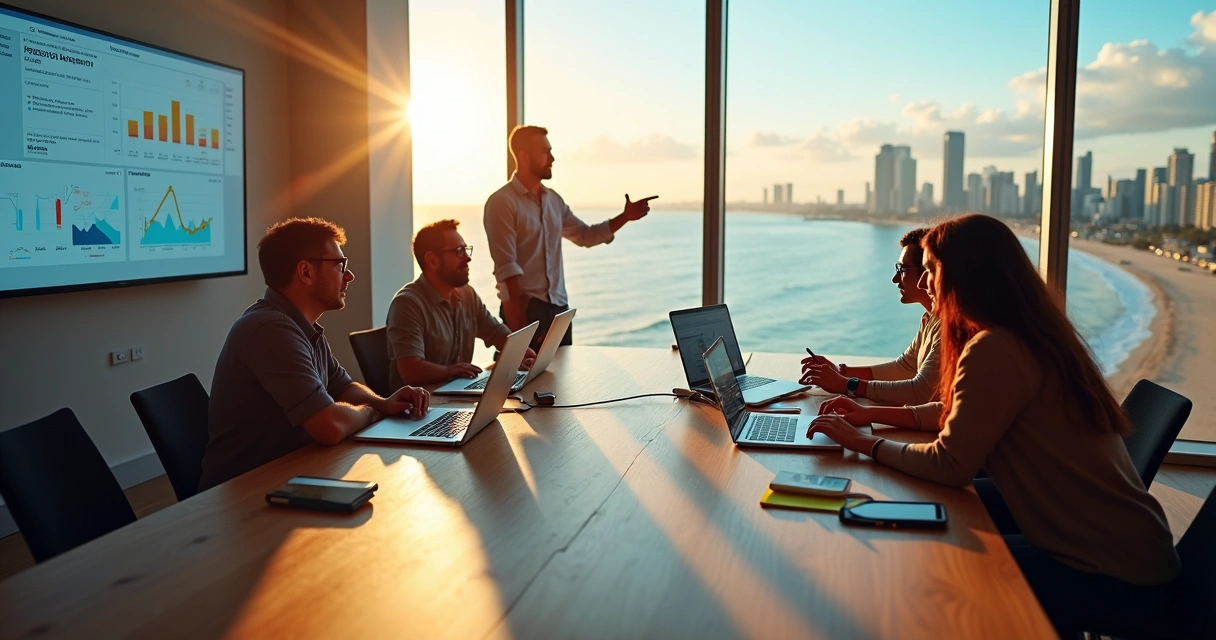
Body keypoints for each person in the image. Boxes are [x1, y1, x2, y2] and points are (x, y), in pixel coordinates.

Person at [808, 214, 1179, 636]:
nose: (925, 284)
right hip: (1128, 552)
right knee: (935, 537)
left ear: (963, 274)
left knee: (931, 583)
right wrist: (868, 417)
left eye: (929, 271)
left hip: (1113, 574)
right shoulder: (1030, 336)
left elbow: (951, 465)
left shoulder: (994, 349)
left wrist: (863, 443)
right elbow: (954, 415)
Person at [199, 218, 430, 491]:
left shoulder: (299, 326)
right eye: (339, 265)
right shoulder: (269, 331)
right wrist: (372, 413)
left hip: (291, 474)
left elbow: (342, 386)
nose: (349, 275)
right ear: (306, 272)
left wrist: (383, 403)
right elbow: (329, 425)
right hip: (245, 495)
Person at [484, 125, 657, 350]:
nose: (552, 158)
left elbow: (585, 235)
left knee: (561, 381)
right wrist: (519, 328)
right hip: (527, 311)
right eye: (545, 151)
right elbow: (507, 269)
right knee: (520, 382)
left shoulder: (553, 200)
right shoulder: (502, 202)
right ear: (524, 156)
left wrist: (625, 217)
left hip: (559, 311)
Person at [800, 227, 941, 414]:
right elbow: (905, 367)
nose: (895, 279)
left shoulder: (950, 327)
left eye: (903, 269)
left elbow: (919, 392)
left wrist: (847, 385)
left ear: (930, 272)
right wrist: (842, 372)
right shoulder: (930, 318)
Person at [386, 219, 536, 388]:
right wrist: (451, 371)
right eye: (459, 251)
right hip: (419, 408)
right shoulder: (407, 304)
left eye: (465, 249)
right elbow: (411, 370)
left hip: (457, 399)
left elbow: (495, 332)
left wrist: (519, 353)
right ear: (433, 261)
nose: (468, 257)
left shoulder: (467, 294)